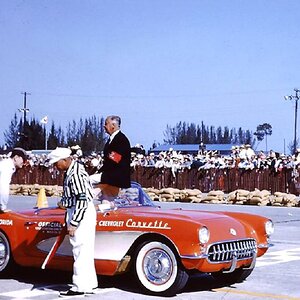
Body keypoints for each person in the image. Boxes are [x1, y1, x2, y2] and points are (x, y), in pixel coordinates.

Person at [47, 147, 98, 297]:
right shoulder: (75, 169)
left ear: (64, 160)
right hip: (84, 212)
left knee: (79, 251)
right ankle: (89, 284)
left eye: (56, 163)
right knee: (86, 251)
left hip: (80, 213)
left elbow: (82, 200)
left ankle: (79, 287)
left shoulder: (74, 174)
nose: (55, 166)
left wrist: (74, 223)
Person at [91, 115, 131, 199]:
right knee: (107, 200)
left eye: (106, 123)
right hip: (112, 174)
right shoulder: (112, 139)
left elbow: (116, 159)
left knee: (87, 180)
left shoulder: (121, 139)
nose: (104, 126)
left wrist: (101, 172)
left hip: (116, 176)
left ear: (113, 125)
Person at [0, 147, 27, 213]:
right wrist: (2, 207)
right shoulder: (7, 167)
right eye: (23, 159)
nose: (24, 162)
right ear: (16, 157)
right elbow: (3, 187)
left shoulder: (5, 164)